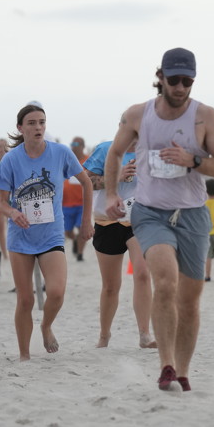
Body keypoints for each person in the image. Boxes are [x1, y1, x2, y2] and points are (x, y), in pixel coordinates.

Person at [104, 47, 214, 391]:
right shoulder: (137, 115)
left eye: (187, 81)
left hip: (192, 214)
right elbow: (115, 153)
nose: (180, 87)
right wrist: (113, 194)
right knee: (164, 282)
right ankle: (166, 365)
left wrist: (193, 160)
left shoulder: (205, 117)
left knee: (189, 301)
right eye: (174, 80)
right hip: (151, 213)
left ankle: (183, 370)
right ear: (160, 76)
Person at [0, 104, 93, 360]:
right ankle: (24, 355)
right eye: (32, 123)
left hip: (51, 235)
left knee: (57, 292)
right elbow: (1, 203)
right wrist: (13, 213)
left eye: (41, 122)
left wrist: (86, 221)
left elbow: (86, 183)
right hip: (21, 236)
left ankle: (46, 326)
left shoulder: (61, 153)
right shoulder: (11, 160)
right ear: (20, 128)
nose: (38, 127)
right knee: (25, 300)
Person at [84, 139, 156, 349]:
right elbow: (86, 182)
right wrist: (116, 176)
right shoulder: (105, 149)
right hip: (107, 221)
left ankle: (145, 334)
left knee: (142, 274)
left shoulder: (151, 151)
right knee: (111, 286)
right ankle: (104, 335)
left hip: (140, 221)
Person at [63, 136, 88, 261]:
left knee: (82, 228)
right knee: (67, 232)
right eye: (72, 144)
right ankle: (75, 241)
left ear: (83, 146)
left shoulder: (88, 161)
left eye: (76, 144)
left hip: (82, 203)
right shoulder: (67, 160)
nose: (73, 146)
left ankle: (80, 254)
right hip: (66, 203)